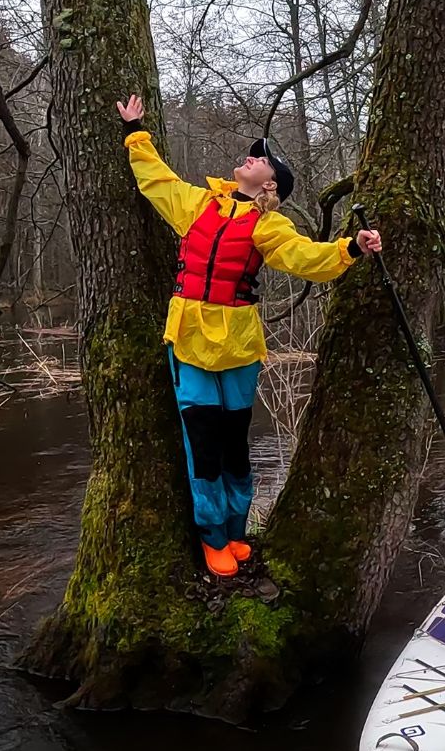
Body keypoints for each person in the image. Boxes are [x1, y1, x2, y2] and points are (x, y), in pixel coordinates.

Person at [116, 94, 382, 578]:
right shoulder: (199, 205)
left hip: (238, 347)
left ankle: (237, 532)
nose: (250, 157)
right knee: (204, 444)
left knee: (235, 445)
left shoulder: (267, 224)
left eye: (261, 158)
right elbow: (157, 182)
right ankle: (213, 535)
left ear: (271, 182)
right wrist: (136, 134)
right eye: (253, 153)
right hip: (190, 342)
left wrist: (350, 248)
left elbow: (305, 257)